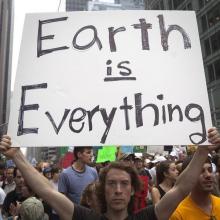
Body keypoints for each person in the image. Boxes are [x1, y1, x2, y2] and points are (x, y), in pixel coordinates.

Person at [0, 127, 219, 220]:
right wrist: (17, 155)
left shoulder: (147, 218)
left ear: (133, 190)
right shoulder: (86, 218)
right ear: (102, 189)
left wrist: (202, 151)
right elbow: (47, 193)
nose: (117, 190)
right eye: (112, 183)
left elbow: (180, 189)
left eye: (124, 184)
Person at [169, 154, 220, 220]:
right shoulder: (178, 214)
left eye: (210, 170)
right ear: (187, 177)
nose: (208, 175)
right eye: (200, 171)